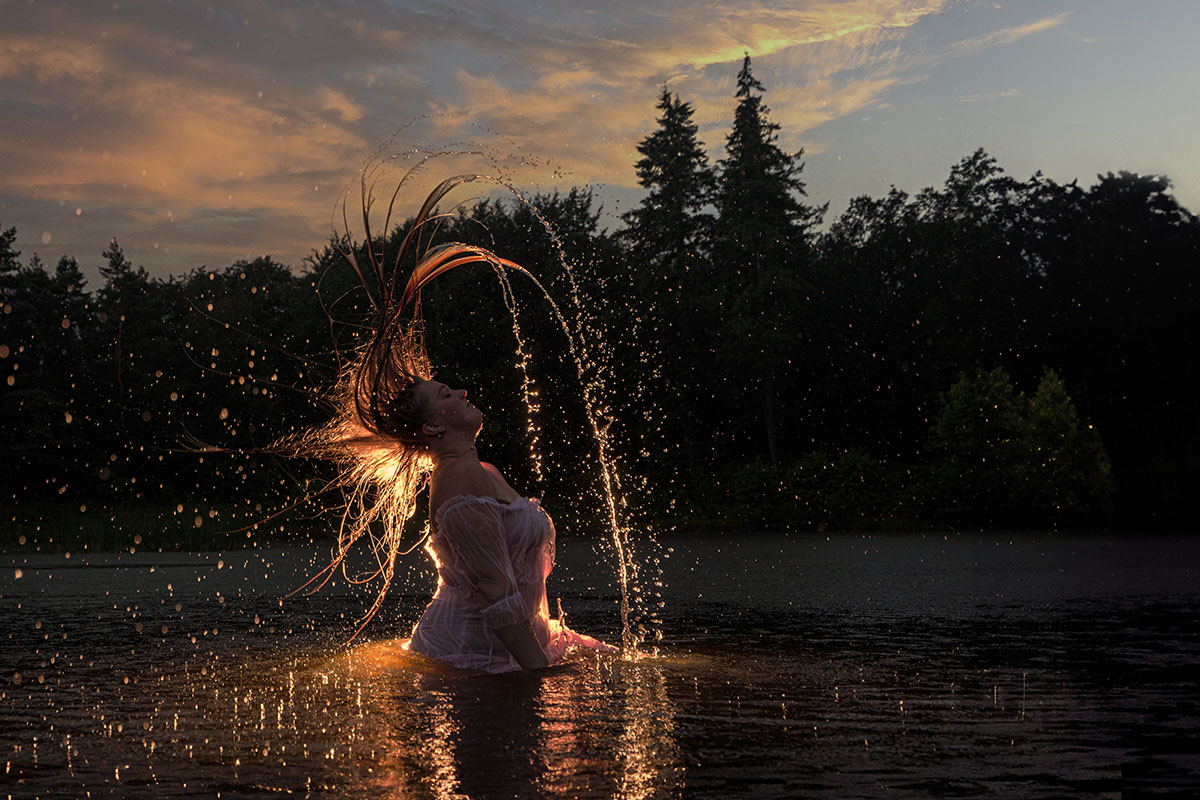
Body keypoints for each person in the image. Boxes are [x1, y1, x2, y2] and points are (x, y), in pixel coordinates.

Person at [295, 176, 614, 671]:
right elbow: (494, 590)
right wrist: (539, 676)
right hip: (476, 656)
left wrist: (562, 644)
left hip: (505, 644)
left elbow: (512, 585)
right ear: (434, 430)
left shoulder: (480, 470)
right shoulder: (460, 479)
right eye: (444, 394)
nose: (461, 391)